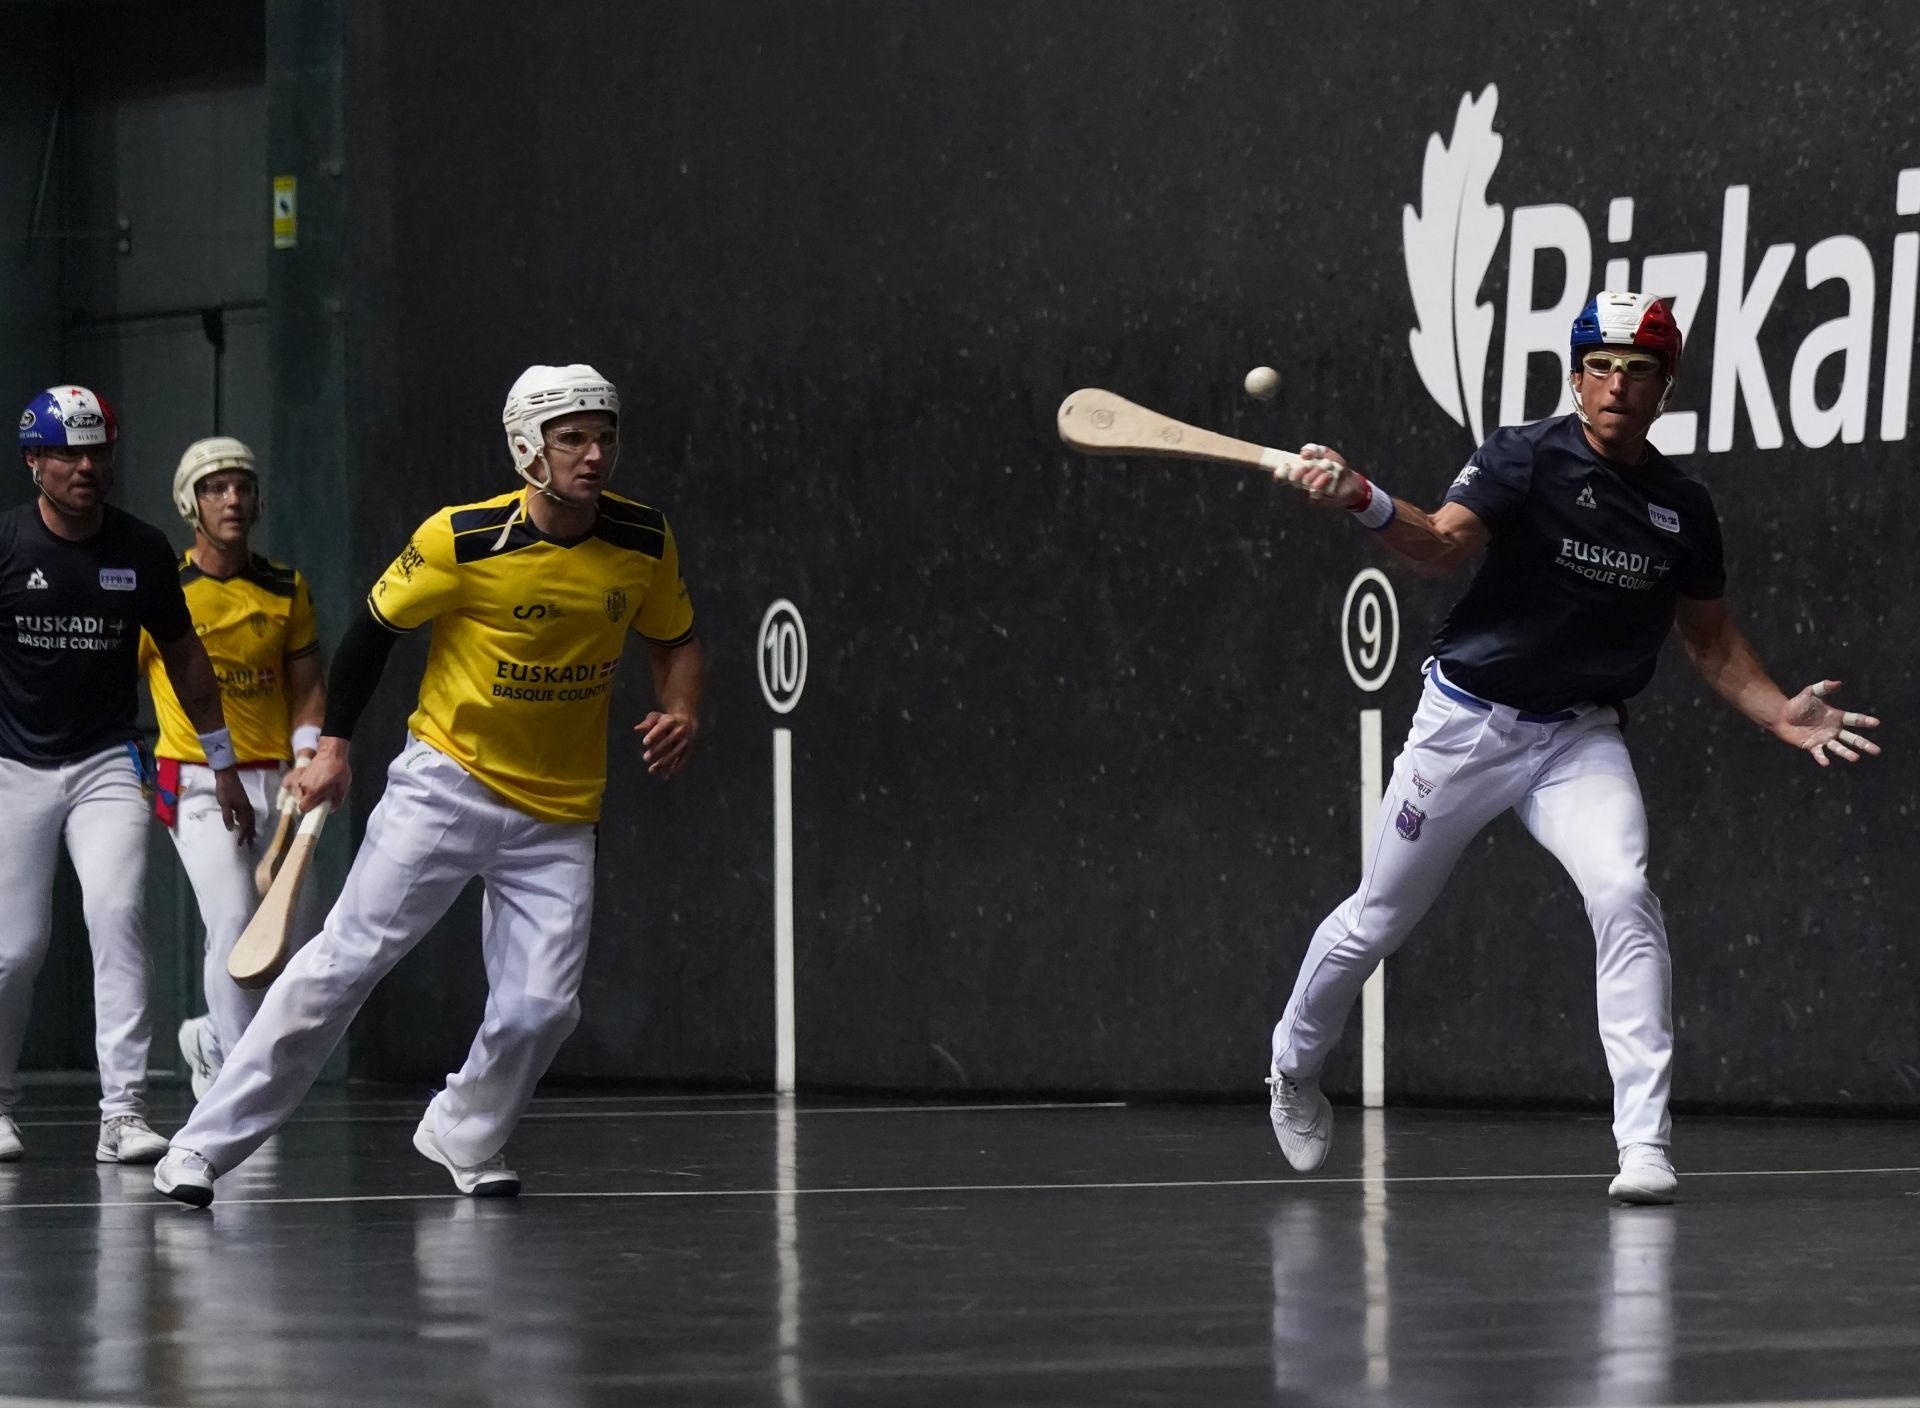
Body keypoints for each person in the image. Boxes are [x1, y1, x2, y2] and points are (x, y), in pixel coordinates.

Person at [1264, 292, 1882, 1204]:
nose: (1617, 386)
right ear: (1576, 377)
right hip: (1468, 725)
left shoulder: (1682, 506)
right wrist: (1363, 498)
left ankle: (1644, 1146)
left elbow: (1710, 642)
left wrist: (1776, 712)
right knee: (1379, 919)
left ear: (1666, 388)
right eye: (1601, 366)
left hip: (1578, 739)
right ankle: (1291, 1063)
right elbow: (1438, 545)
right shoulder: (1524, 455)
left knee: (1625, 891)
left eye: (1639, 371)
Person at [154, 363, 700, 1206]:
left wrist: (680, 708)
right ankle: (201, 1146)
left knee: (544, 1008)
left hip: (558, 814)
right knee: (340, 964)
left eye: (605, 436)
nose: (595, 455)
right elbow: (371, 634)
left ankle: (463, 1130)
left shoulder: (643, 539)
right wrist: (332, 744)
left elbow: (676, 636)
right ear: (528, 448)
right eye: (573, 439)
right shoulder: (461, 538)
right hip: (446, 786)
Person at [0, 386, 255, 1165]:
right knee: (14, 949)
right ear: (34, 461)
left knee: (118, 918)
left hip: (107, 763)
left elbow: (185, 660)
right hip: (12, 766)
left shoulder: (140, 548)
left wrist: (223, 765)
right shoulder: (7, 545)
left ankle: (124, 1113)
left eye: (98, 451)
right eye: (69, 454)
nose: (86, 467)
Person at [138, 436, 326, 1101]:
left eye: (243, 485)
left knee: (290, 944)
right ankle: (240, 1087)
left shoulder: (285, 586)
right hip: (191, 777)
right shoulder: (165, 590)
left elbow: (306, 684)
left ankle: (213, 1041)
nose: (233, 499)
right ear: (190, 502)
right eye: (217, 487)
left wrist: (307, 752)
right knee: (234, 919)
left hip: (279, 779)